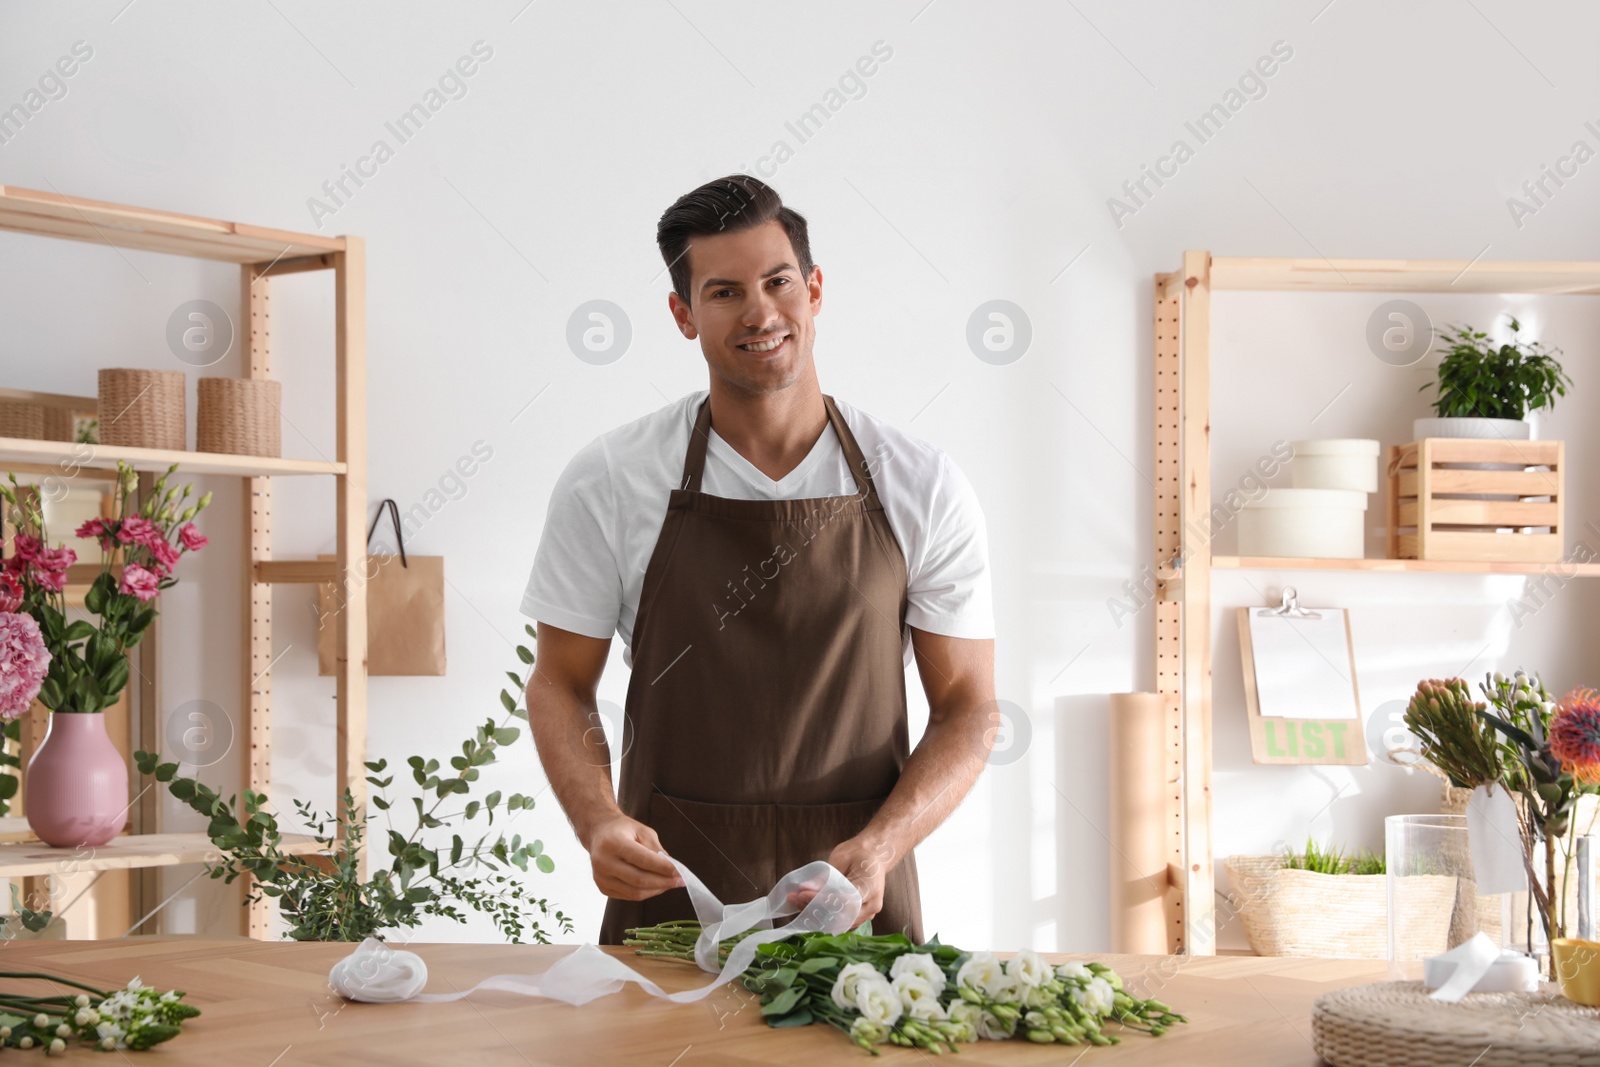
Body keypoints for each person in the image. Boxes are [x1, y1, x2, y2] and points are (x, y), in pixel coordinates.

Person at [522, 174, 996, 944]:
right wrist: (598, 821)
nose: (761, 312)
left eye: (778, 281)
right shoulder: (610, 480)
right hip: (673, 887)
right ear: (683, 314)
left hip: (857, 894)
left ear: (813, 289)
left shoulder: (923, 483)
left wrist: (883, 845)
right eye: (724, 291)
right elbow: (561, 682)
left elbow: (970, 709)